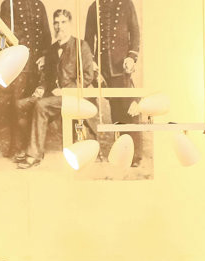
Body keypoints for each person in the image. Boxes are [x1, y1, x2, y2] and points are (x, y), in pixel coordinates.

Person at [20, 9, 98, 169]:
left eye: (63, 22)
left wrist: (66, 90)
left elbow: (88, 76)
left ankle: (33, 155)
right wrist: (41, 88)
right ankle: (30, 149)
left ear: (70, 25)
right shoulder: (51, 49)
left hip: (75, 96)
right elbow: (47, 77)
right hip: (55, 98)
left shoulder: (81, 46)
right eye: (56, 22)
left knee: (41, 106)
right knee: (23, 104)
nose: (59, 26)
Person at [85, 0, 142, 166]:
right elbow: (88, 40)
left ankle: (135, 155)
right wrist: (93, 63)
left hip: (122, 66)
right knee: (115, 111)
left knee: (129, 108)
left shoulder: (126, 4)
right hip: (103, 69)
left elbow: (135, 33)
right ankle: (122, 151)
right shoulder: (93, 8)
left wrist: (131, 57)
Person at [0, 0, 51, 162]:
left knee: (34, 105)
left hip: (36, 65)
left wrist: (45, 55)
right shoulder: (9, 4)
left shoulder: (39, 5)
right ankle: (16, 145)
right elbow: (2, 36)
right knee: (16, 105)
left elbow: (46, 34)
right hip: (18, 64)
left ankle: (32, 147)